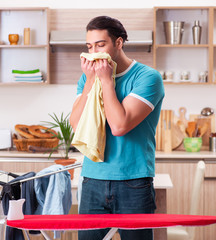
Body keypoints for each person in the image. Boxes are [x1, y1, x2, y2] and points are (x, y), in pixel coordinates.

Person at [70, 16, 165, 240]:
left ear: (119, 43)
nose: (94, 52)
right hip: (92, 180)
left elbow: (120, 126)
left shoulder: (147, 78)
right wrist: (91, 81)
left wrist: (106, 82)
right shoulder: (88, 79)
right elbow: (76, 124)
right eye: (89, 46)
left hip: (134, 182)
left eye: (100, 45)